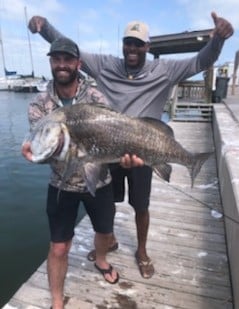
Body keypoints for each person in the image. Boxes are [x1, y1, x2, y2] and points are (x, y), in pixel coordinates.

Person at [28, 12, 233, 279]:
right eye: (128, 42)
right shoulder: (105, 65)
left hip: (143, 145)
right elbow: (67, 52)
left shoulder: (165, 70)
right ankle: (109, 240)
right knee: (108, 203)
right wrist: (43, 27)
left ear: (148, 47)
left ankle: (142, 251)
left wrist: (217, 40)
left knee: (140, 205)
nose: (132, 48)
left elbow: (201, 61)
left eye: (138, 43)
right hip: (104, 147)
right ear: (122, 44)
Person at [21, 37, 121, 309]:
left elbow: (115, 132)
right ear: (51, 63)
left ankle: (101, 260)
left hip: (99, 180)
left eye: (68, 59)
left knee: (104, 231)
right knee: (59, 247)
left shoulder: (96, 96)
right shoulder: (39, 106)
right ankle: (57, 300)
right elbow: (44, 149)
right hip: (61, 184)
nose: (62, 65)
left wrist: (126, 157)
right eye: (57, 59)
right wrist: (35, 156)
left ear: (78, 63)